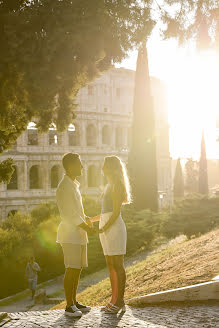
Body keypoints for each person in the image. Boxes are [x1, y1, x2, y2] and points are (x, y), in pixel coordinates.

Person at [91, 155, 131, 314]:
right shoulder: (109, 185)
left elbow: (115, 213)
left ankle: (120, 301)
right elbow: (105, 212)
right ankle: (113, 300)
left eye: (105, 165)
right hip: (106, 226)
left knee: (118, 265)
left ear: (112, 168)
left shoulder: (117, 185)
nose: (102, 168)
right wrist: (92, 220)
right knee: (110, 265)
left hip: (114, 228)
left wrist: (103, 228)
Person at [56, 152, 95, 317]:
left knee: (77, 269)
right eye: (79, 163)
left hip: (78, 232)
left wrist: (86, 219)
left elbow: (77, 211)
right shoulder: (64, 186)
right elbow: (69, 214)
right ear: (70, 166)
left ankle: (74, 300)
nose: (82, 166)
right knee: (71, 268)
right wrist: (87, 228)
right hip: (70, 233)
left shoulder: (73, 184)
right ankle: (69, 305)